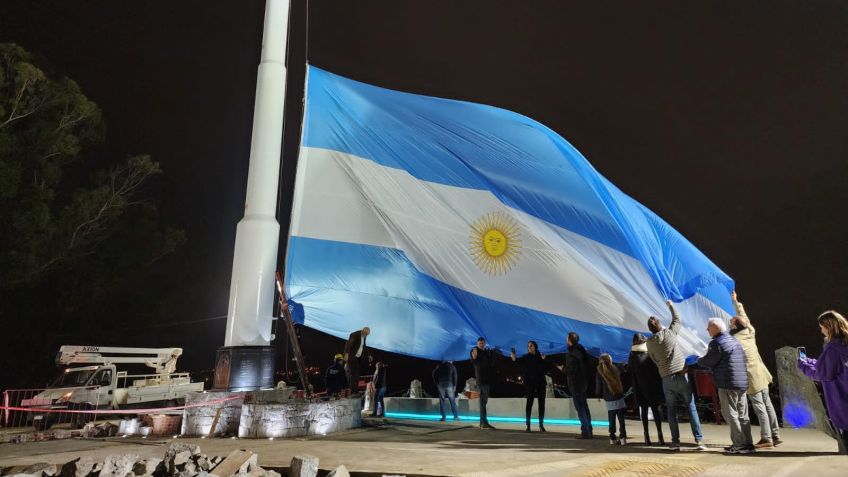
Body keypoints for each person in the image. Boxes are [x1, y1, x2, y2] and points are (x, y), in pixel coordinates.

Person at [645, 300, 706, 451]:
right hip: (680, 374)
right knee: (690, 406)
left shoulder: (649, 343)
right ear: (660, 325)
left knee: (671, 411)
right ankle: (699, 440)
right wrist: (671, 306)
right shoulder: (669, 334)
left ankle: (675, 442)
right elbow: (677, 319)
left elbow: (653, 359)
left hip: (666, 378)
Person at [730, 291, 782, 448]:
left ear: (735, 326)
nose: (729, 324)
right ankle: (775, 435)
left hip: (751, 377)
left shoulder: (734, 340)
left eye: (731, 323)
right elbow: (744, 317)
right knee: (768, 405)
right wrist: (736, 301)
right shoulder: (750, 331)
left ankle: (766, 438)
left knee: (760, 407)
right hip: (762, 373)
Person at [697, 317, 754, 454]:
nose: (707, 329)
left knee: (730, 414)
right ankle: (748, 444)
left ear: (716, 328)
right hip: (741, 382)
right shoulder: (733, 340)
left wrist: (699, 359)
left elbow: (709, 361)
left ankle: (739, 444)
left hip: (728, 383)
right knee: (742, 415)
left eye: (709, 327)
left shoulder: (717, 343)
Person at [797, 310, 848, 451]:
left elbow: (823, 374)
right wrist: (813, 362)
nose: (821, 331)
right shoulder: (844, 345)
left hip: (842, 403)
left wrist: (803, 365)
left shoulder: (833, 348)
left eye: (822, 327)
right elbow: (834, 366)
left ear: (829, 327)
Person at [628, 333, 666, 446]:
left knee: (644, 412)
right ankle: (660, 436)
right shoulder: (649, 355)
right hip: (652, 387)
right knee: (656, 411)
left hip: (639, 387)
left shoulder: (631, 356)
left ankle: (646, 437)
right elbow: (656, 369)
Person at [510, 340, 552, 432]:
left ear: (535, 347)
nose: (529, 347)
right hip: (530, 384)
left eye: (531, 346)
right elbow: (516, 361)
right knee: (529, 404)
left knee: (542, 404)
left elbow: (547, 367)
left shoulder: (540, 356)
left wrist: (544, 359)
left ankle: (541, 425)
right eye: (528, 346)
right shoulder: (526, 357)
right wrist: (513, 357)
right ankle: (528, 425)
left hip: (541, 384)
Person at [565, 332, 593, 438]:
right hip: (583, 383)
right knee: (584, 407)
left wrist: (563, 368)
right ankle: (589, 430)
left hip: (576, 384)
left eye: (567, 339)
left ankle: (585, 431)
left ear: (570, 341)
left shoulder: (571, 353)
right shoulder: (581, 351)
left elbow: (572, 370)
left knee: (580, 408)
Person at [596, 353, 627, 445]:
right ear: (610, 361)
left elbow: (598, 386)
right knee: (621, 419)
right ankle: (623, 438)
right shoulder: (615, 368)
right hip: (619, 396)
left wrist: (598, 395)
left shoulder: (599, 372)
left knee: (611, 419)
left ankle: (612, 438)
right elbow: (623, 370)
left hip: (608, 398)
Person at [470, 336, 497, 429]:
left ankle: (484, 422)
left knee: (484, 402)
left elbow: (491, 363)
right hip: (481, 380)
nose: (481, 344)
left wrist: (492, 353)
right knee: (482, 402)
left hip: (487, 380)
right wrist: (474, 353)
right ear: (477, 343)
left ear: (484, 343)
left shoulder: (486, 352)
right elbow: (474, 359)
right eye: (480, 343)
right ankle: (483, 423)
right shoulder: (474, 350)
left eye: (482, 343)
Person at [344, 326, 370, 394]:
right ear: (363, 330)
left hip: (357, 358)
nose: (366, 335)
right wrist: (346, 353)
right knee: (354, 374)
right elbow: (349, 344)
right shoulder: (355, 334)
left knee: (356, 374)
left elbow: (364, 346)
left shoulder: (364, 337)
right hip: (351, 357)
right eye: (365, 333)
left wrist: (368, 355)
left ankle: (354, 390)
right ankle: (353, 391)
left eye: (367, 334)